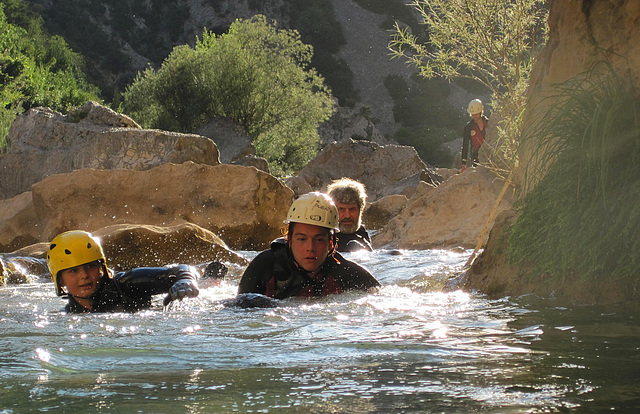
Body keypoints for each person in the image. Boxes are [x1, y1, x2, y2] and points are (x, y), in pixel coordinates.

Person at [237, 192, 380, 300]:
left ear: (331, 244)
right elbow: (237, 311)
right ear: (289, 240)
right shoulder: (265, 266)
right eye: (301, 239)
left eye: (318, 240)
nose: (310, 248)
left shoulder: (347, 273)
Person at [47, 230, 200, 313]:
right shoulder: (70, 313)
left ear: (102, 268)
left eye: (90, 267)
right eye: (74, 271)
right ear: (60, 280)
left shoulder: (126, 283)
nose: (84, 276)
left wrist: (186, 280)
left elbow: (179, 270)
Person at [327, 178, 373, 252]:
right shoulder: (325, 237)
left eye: (352, 209)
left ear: (360, 211)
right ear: (333, 211)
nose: (347, 216)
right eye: (342, 209)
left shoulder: (361, 234)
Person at [461, 99, 489, 171]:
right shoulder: (468, 127)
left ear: (480, 112)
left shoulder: (488, 123)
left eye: (476, 114)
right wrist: (463, 163)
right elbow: (465, 145)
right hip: (476, 157)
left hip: (489, 154)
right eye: (472, 114)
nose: (474, 116)